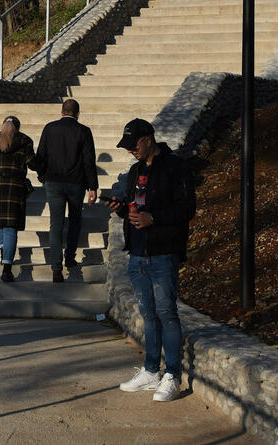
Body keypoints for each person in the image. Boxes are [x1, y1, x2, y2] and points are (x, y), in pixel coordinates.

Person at [103, 118, 194, 403]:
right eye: (127, 147)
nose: (131, 150)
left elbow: (187, 208)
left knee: (167, 312)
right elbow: (135, 207)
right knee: (149, 314)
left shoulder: (175, 167)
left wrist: (153, 218)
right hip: (138, 253)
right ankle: (152, 370)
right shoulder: (135, 171)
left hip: (163, 252)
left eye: (134, 145)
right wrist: (121, 209)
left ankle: (173, 374)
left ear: (148, 139)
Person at [34, 98, 97, 283]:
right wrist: (93, 187)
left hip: (53, 182)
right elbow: (88, 160)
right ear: (78, 113)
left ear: (62, 112)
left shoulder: (50, 128)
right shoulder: (84, 131)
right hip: (76, 183)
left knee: (56, 224)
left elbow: (41, 155)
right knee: (75, 220)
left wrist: (42, 176)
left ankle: (56, 267)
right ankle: (70, 257)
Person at [0, 115, 36, 283]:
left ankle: (4, 252)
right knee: (10, 226)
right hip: (14, 187)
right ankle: (7, 269)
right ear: (17, 128)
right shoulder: (24, 141)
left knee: (0, 221)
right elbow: (32, 163)